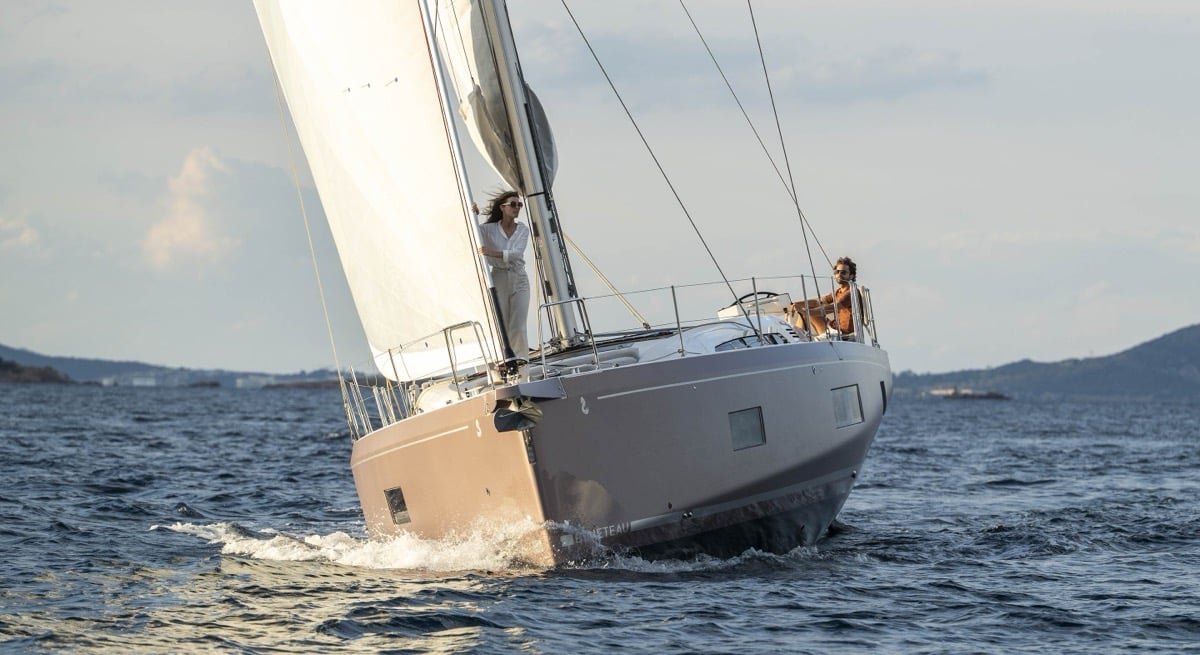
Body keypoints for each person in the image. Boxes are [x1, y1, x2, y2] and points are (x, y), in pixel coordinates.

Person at [476, 190, 531, 359]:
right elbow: (472, 232)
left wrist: (491, 253)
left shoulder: (523, 230)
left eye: (519, 204)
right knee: (502, 327)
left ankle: (523, 368)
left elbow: (516, 253)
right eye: (513, 204)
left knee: (518, 327)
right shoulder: (488, 229)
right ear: (502, 208)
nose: (517, 208)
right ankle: (506, 362)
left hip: (519, 278)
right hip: (498, 277)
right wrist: (473, 213)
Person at [791, 256, 863, 337]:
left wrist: (804, 311)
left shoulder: (851, 292)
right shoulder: (838, 292)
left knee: (807, 312)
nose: (839, 275)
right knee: (808, 309)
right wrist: (793, 304)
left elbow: (832, 308)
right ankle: (798, 337)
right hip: (834, 327)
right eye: (837, 272)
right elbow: (816, 302)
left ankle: (799, 338)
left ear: (851, 276)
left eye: (843, 272)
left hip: (843, 333)